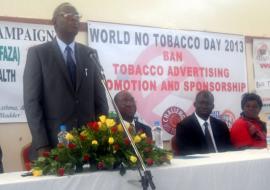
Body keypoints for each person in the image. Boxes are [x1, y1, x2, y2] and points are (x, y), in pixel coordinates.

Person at [23, 3, 108, 160]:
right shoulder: (38, 54)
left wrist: (102, 138)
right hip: (54, 146)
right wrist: (42, 145)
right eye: (69, 16)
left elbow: (100, 101)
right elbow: (31, 103)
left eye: (78, 17)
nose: (75, 20)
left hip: (90, 144)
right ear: (54, 21)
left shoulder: (90, 54)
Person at [175, 90, 232, 155]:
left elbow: (229, 149)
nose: (204, 106)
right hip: (199, 163)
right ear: (195, 104)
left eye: (208, 103)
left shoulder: (221, 126)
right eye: (201, 103)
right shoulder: (184, 126)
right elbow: (186, 153)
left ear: (213, 106)